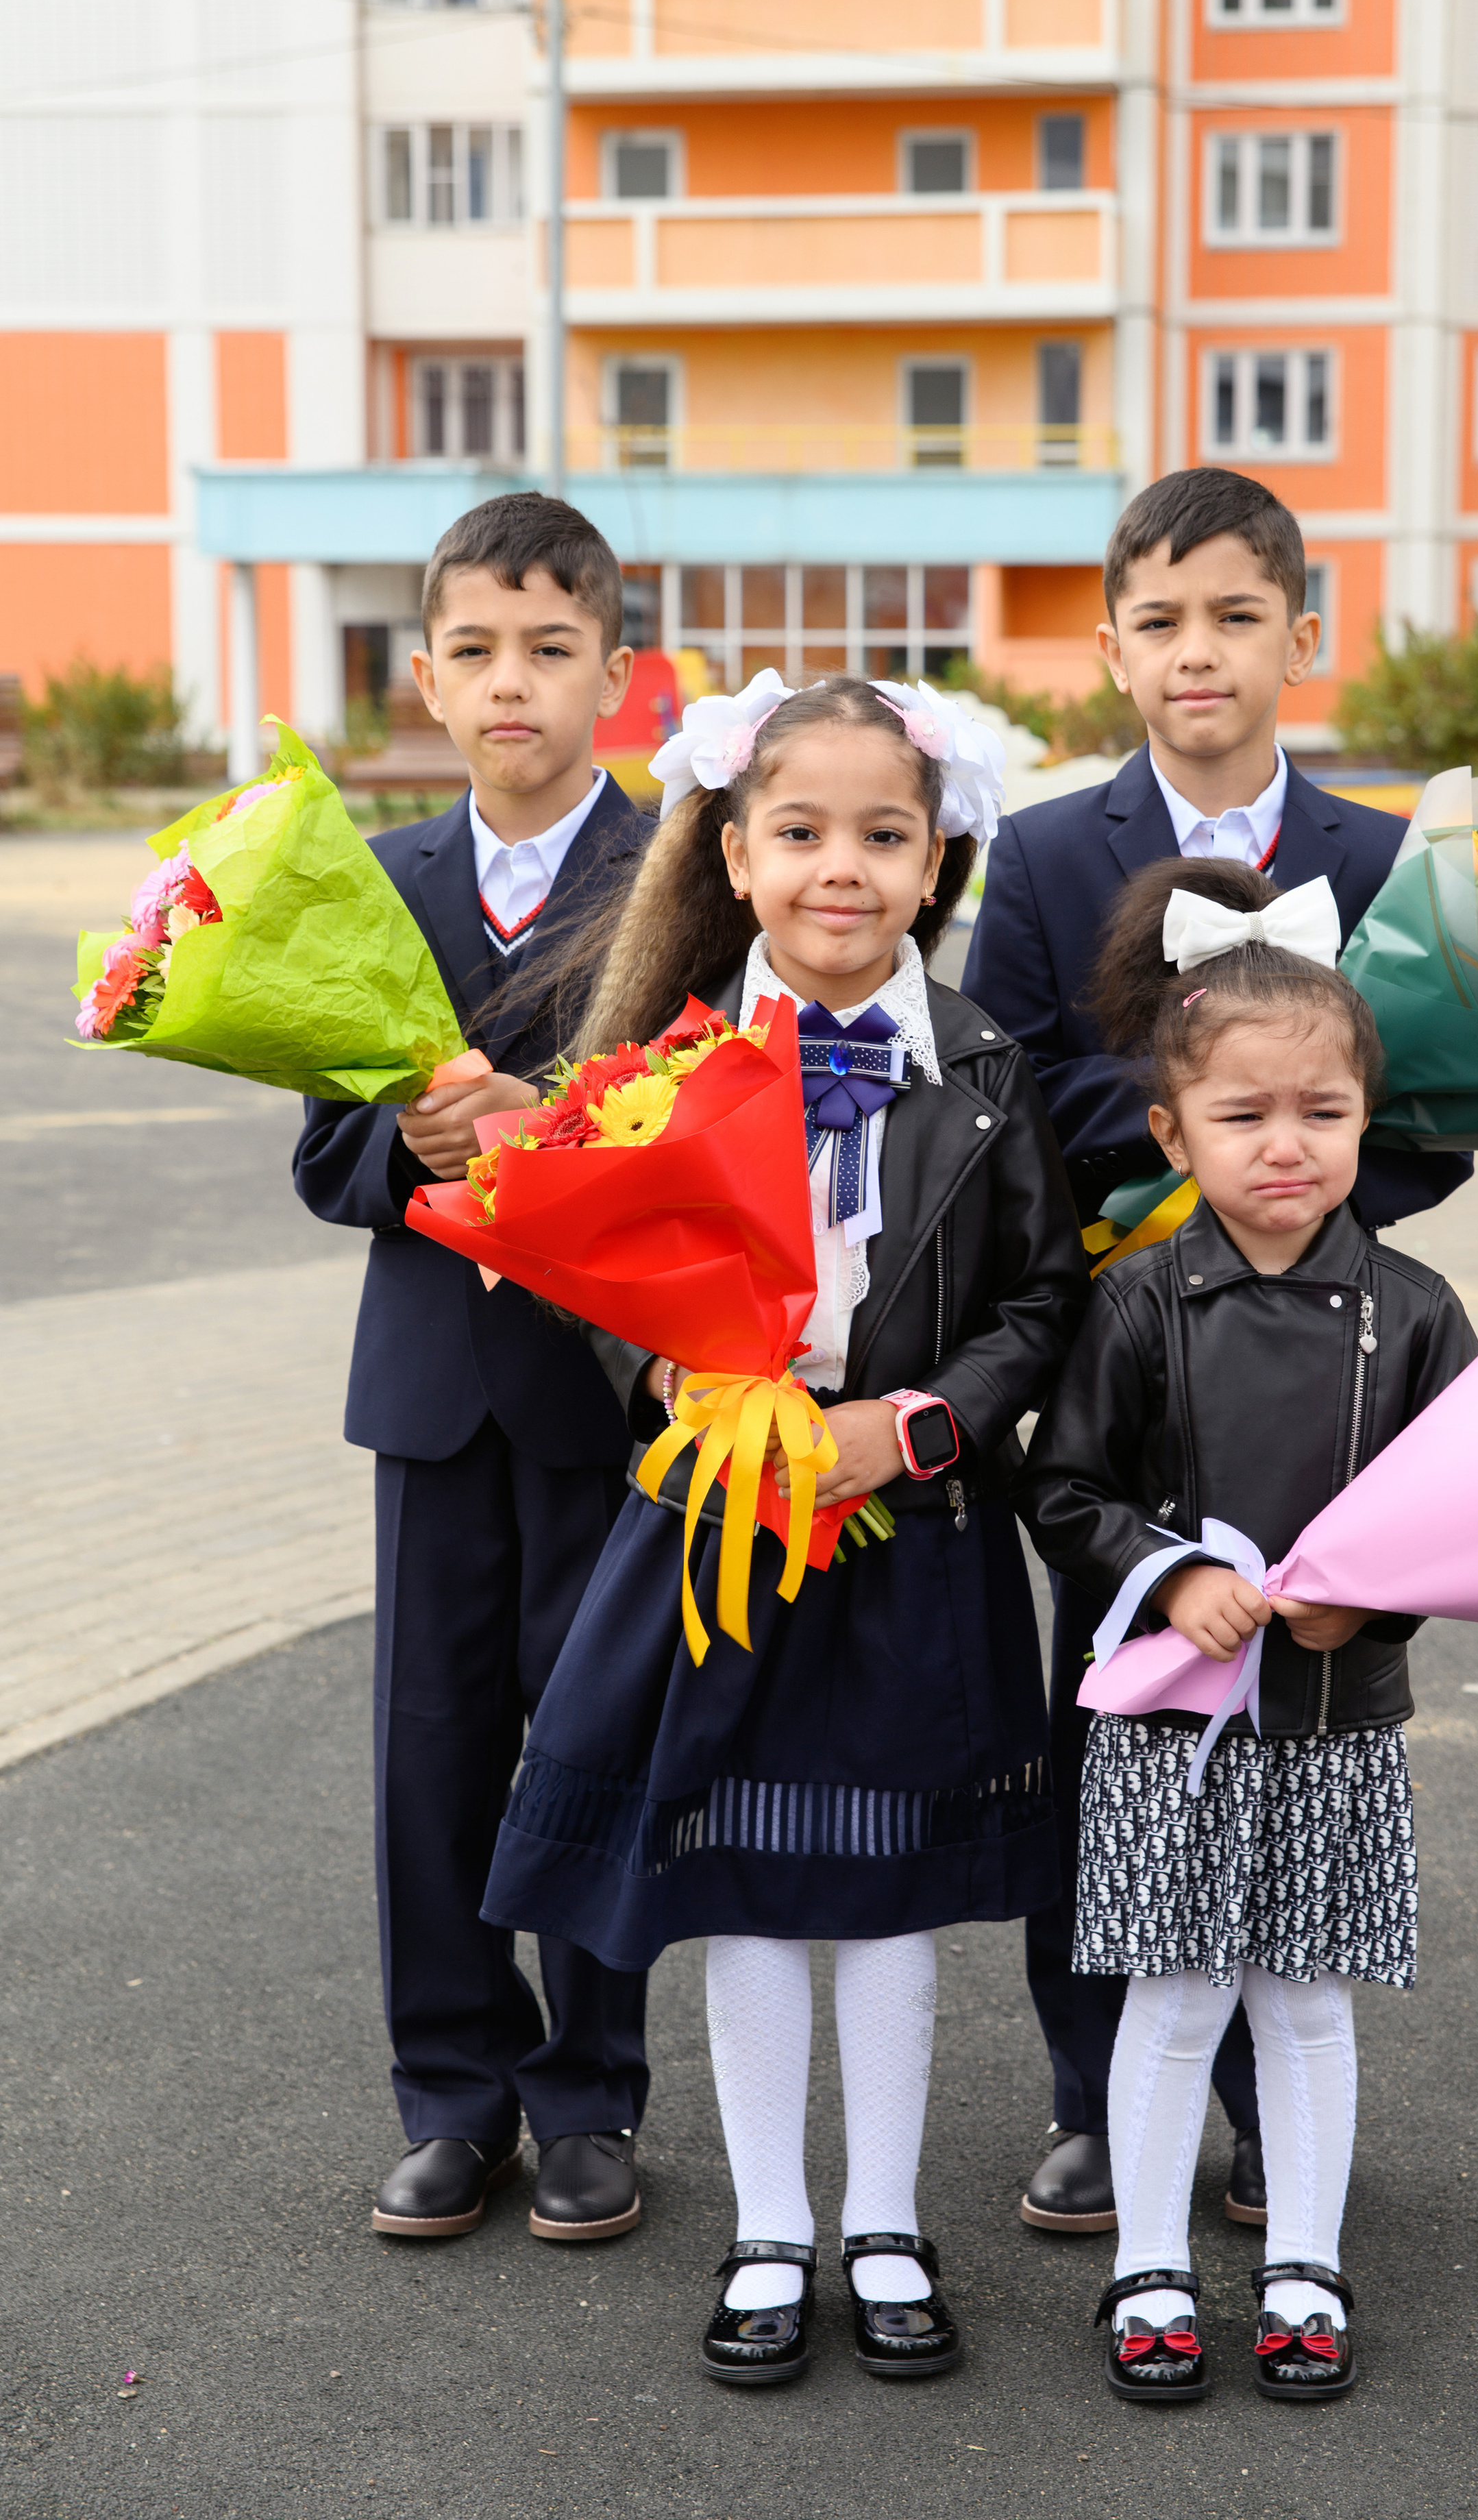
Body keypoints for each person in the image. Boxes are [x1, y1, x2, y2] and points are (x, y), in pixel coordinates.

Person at [479, 672, 1089, 2386]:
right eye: (802, 833)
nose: (845, 867)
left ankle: (883, 2218)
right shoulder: (660, 1066)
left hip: (913, 1532)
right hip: (724, 1536)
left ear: (935, 854)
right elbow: (586, 1276)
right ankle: (769, 2226)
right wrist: (679, 1385)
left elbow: (1040, 1298)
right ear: (734, 857)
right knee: (744, 1882)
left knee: (884, 1890)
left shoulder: (982, 1066)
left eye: (883, 836)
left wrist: (914, 1423)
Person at [963, 465, 1473, 2237]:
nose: (1202, 653)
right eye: (1164, 621)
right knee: (1112, 1732)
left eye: (1238, 616)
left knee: (1302, 1736)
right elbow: (1008, 1100)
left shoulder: (1386, 858)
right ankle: (1099, 2100)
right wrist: (1185, 1144)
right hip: (1130, 1357)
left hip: (1317, 1366)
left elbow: (1434, 1126)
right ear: (1112, 647)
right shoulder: (1038, 856)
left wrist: (1294, 1178)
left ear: (1301, 636)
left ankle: (1272, 2113)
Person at [1015, 853, 1477, 2401]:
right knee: (1172, 1994)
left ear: (1365, 1117)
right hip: (1172, 1715)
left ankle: (1301, 2265)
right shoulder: (1139, 1304)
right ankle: (1148, 2266)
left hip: (1336, 1718)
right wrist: (1163, 1571)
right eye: (1242, 1116)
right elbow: (1061, 1486)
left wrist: (1378, 1598)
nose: (1285, 1147)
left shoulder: (1413, 1309)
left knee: (1303, 1998)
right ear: (1170, 1132)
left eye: (1321, 1114)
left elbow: (1462, 1514)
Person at [292, 493, 652, 2243]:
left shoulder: (678, 878)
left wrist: (558, 1144)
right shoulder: (372, 889)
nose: (512, 684)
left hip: (605, 1396)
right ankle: (452, 2092)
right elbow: (322, 1159)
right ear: (425, 677)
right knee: (429, 1752)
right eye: (477, 652)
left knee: (590, 1741)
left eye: (551, 650)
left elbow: (708, 1156)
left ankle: (587, 2100)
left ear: (615, 674)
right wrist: (416, 1161)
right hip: (433, 1398)